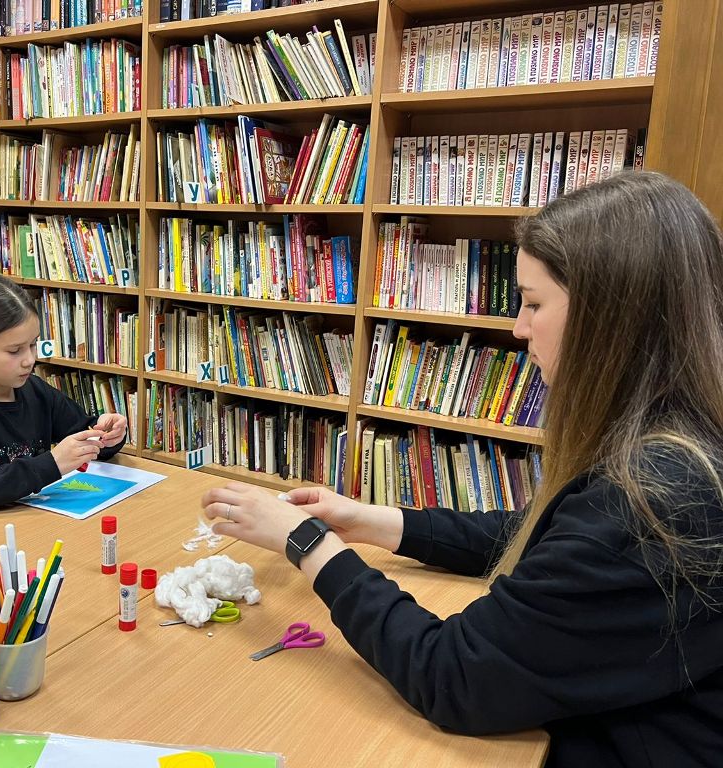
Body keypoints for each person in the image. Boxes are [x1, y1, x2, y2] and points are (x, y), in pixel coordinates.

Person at [201, 172, 723, 767]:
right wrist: (373, 521)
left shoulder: (656, 501)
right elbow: (544, 538)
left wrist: (308, 544)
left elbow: (453, 675)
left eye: (533, 303)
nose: (518, 328)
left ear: (611, 317)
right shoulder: (682, 446)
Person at [0, 272, 128, 512]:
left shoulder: (34, 390)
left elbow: (84, 433)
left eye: (32, 344)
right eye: (15, 350)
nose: (30, 360)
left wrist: (107, 435)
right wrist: (51, 464)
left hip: (29, 523)